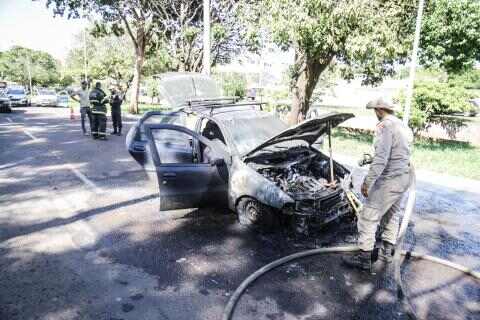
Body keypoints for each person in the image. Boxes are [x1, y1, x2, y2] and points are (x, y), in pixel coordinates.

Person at [342, 97, 413, 271]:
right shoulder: (402, 125)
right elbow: (398, 152)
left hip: (390, 180)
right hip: (403, 176)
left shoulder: (385, 126)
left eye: (375, 110)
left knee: (368, 216)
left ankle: (364, 257)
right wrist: (372, 159)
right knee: (392, 215)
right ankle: (387, 252)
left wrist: (367, 182)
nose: (375, 114)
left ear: (380, 110)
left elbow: (382, 158)